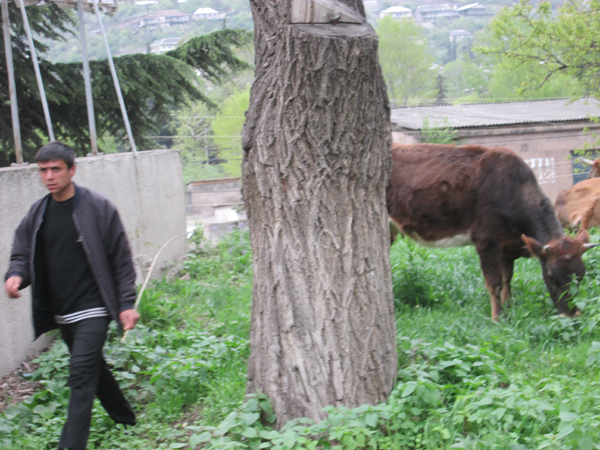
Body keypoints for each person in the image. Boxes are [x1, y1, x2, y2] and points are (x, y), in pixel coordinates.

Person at [4, 141, 140, 450]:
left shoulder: (98, 208)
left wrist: (126, 303)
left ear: (72, 170)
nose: (49, 176)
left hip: (94, 309)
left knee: (80, 377)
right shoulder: (38, 213)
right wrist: (15, 276)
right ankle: (125, 418)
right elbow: (22, 252)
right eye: (43, 170)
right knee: (93, 369)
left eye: (56, 169)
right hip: (62, 312)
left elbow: (121, 259)